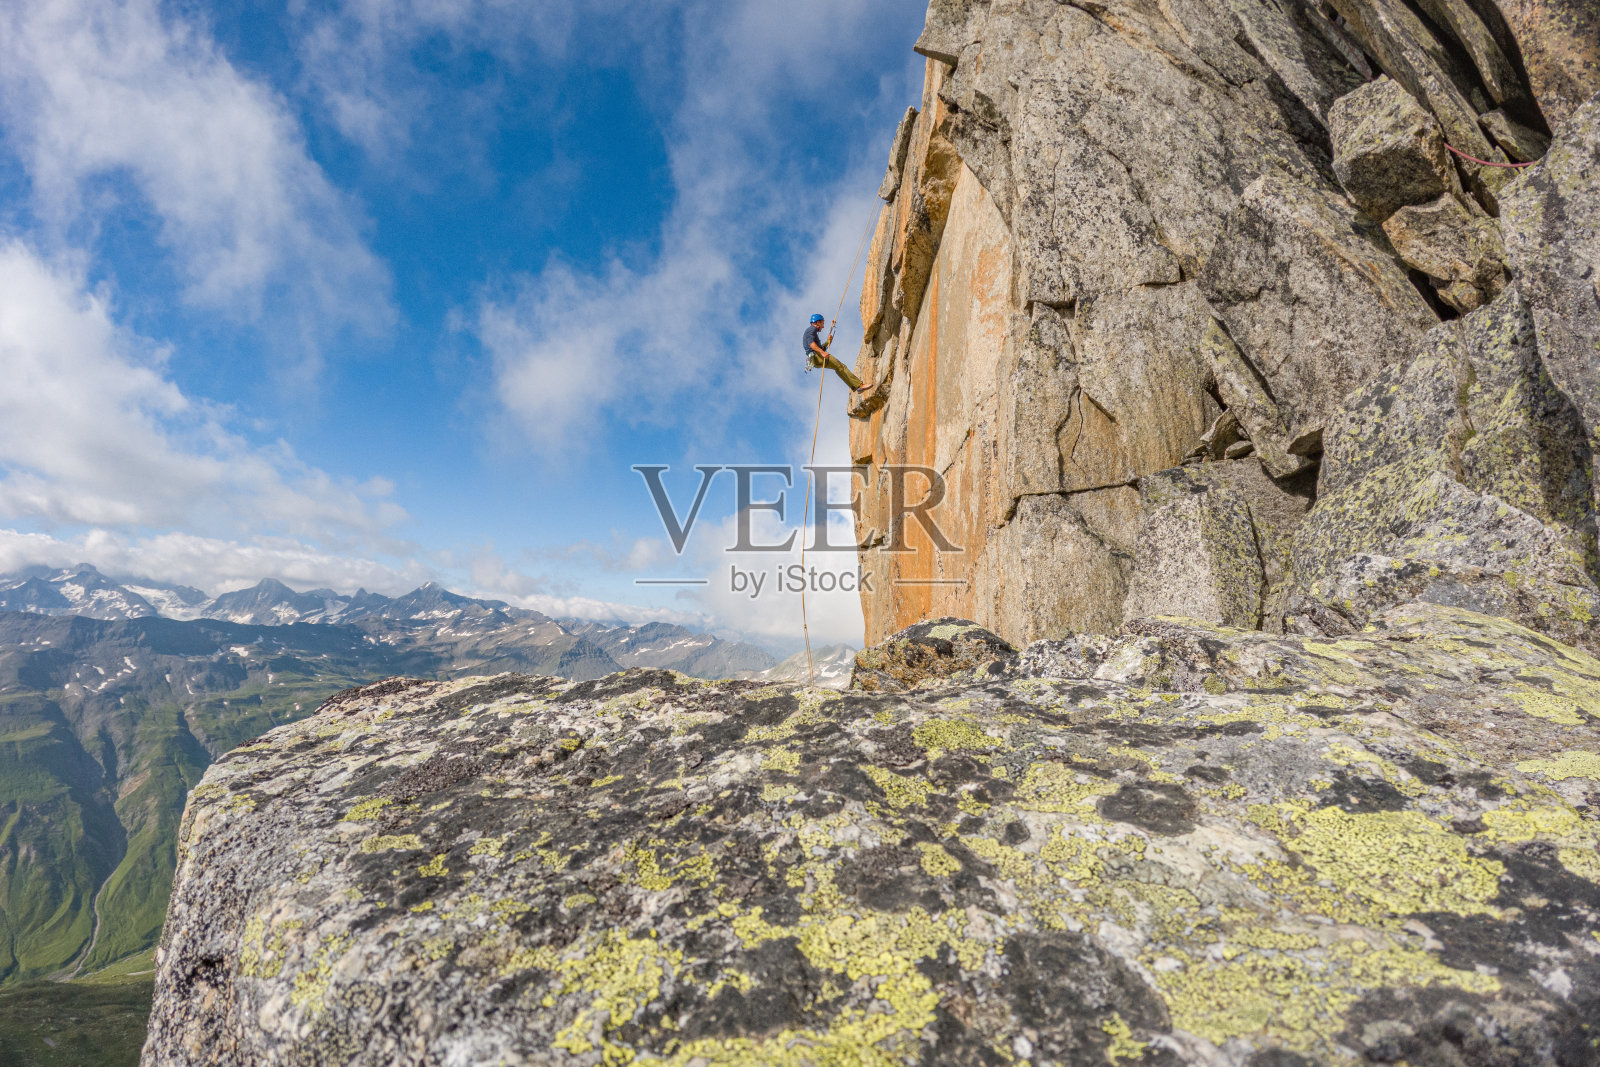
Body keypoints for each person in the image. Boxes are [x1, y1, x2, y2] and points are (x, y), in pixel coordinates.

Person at [803, 314, 871, 391]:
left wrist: (828, 341)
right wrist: (822, 352)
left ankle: (856, 386)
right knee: (840, 367)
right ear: (818, 322)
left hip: (815, 358)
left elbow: (819, 347)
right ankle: (859, 385)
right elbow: (811, 344)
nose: (823, 326)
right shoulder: (811, 329)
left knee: (838, 367)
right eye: (822, 323)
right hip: (817, 356)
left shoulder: (812, 332)